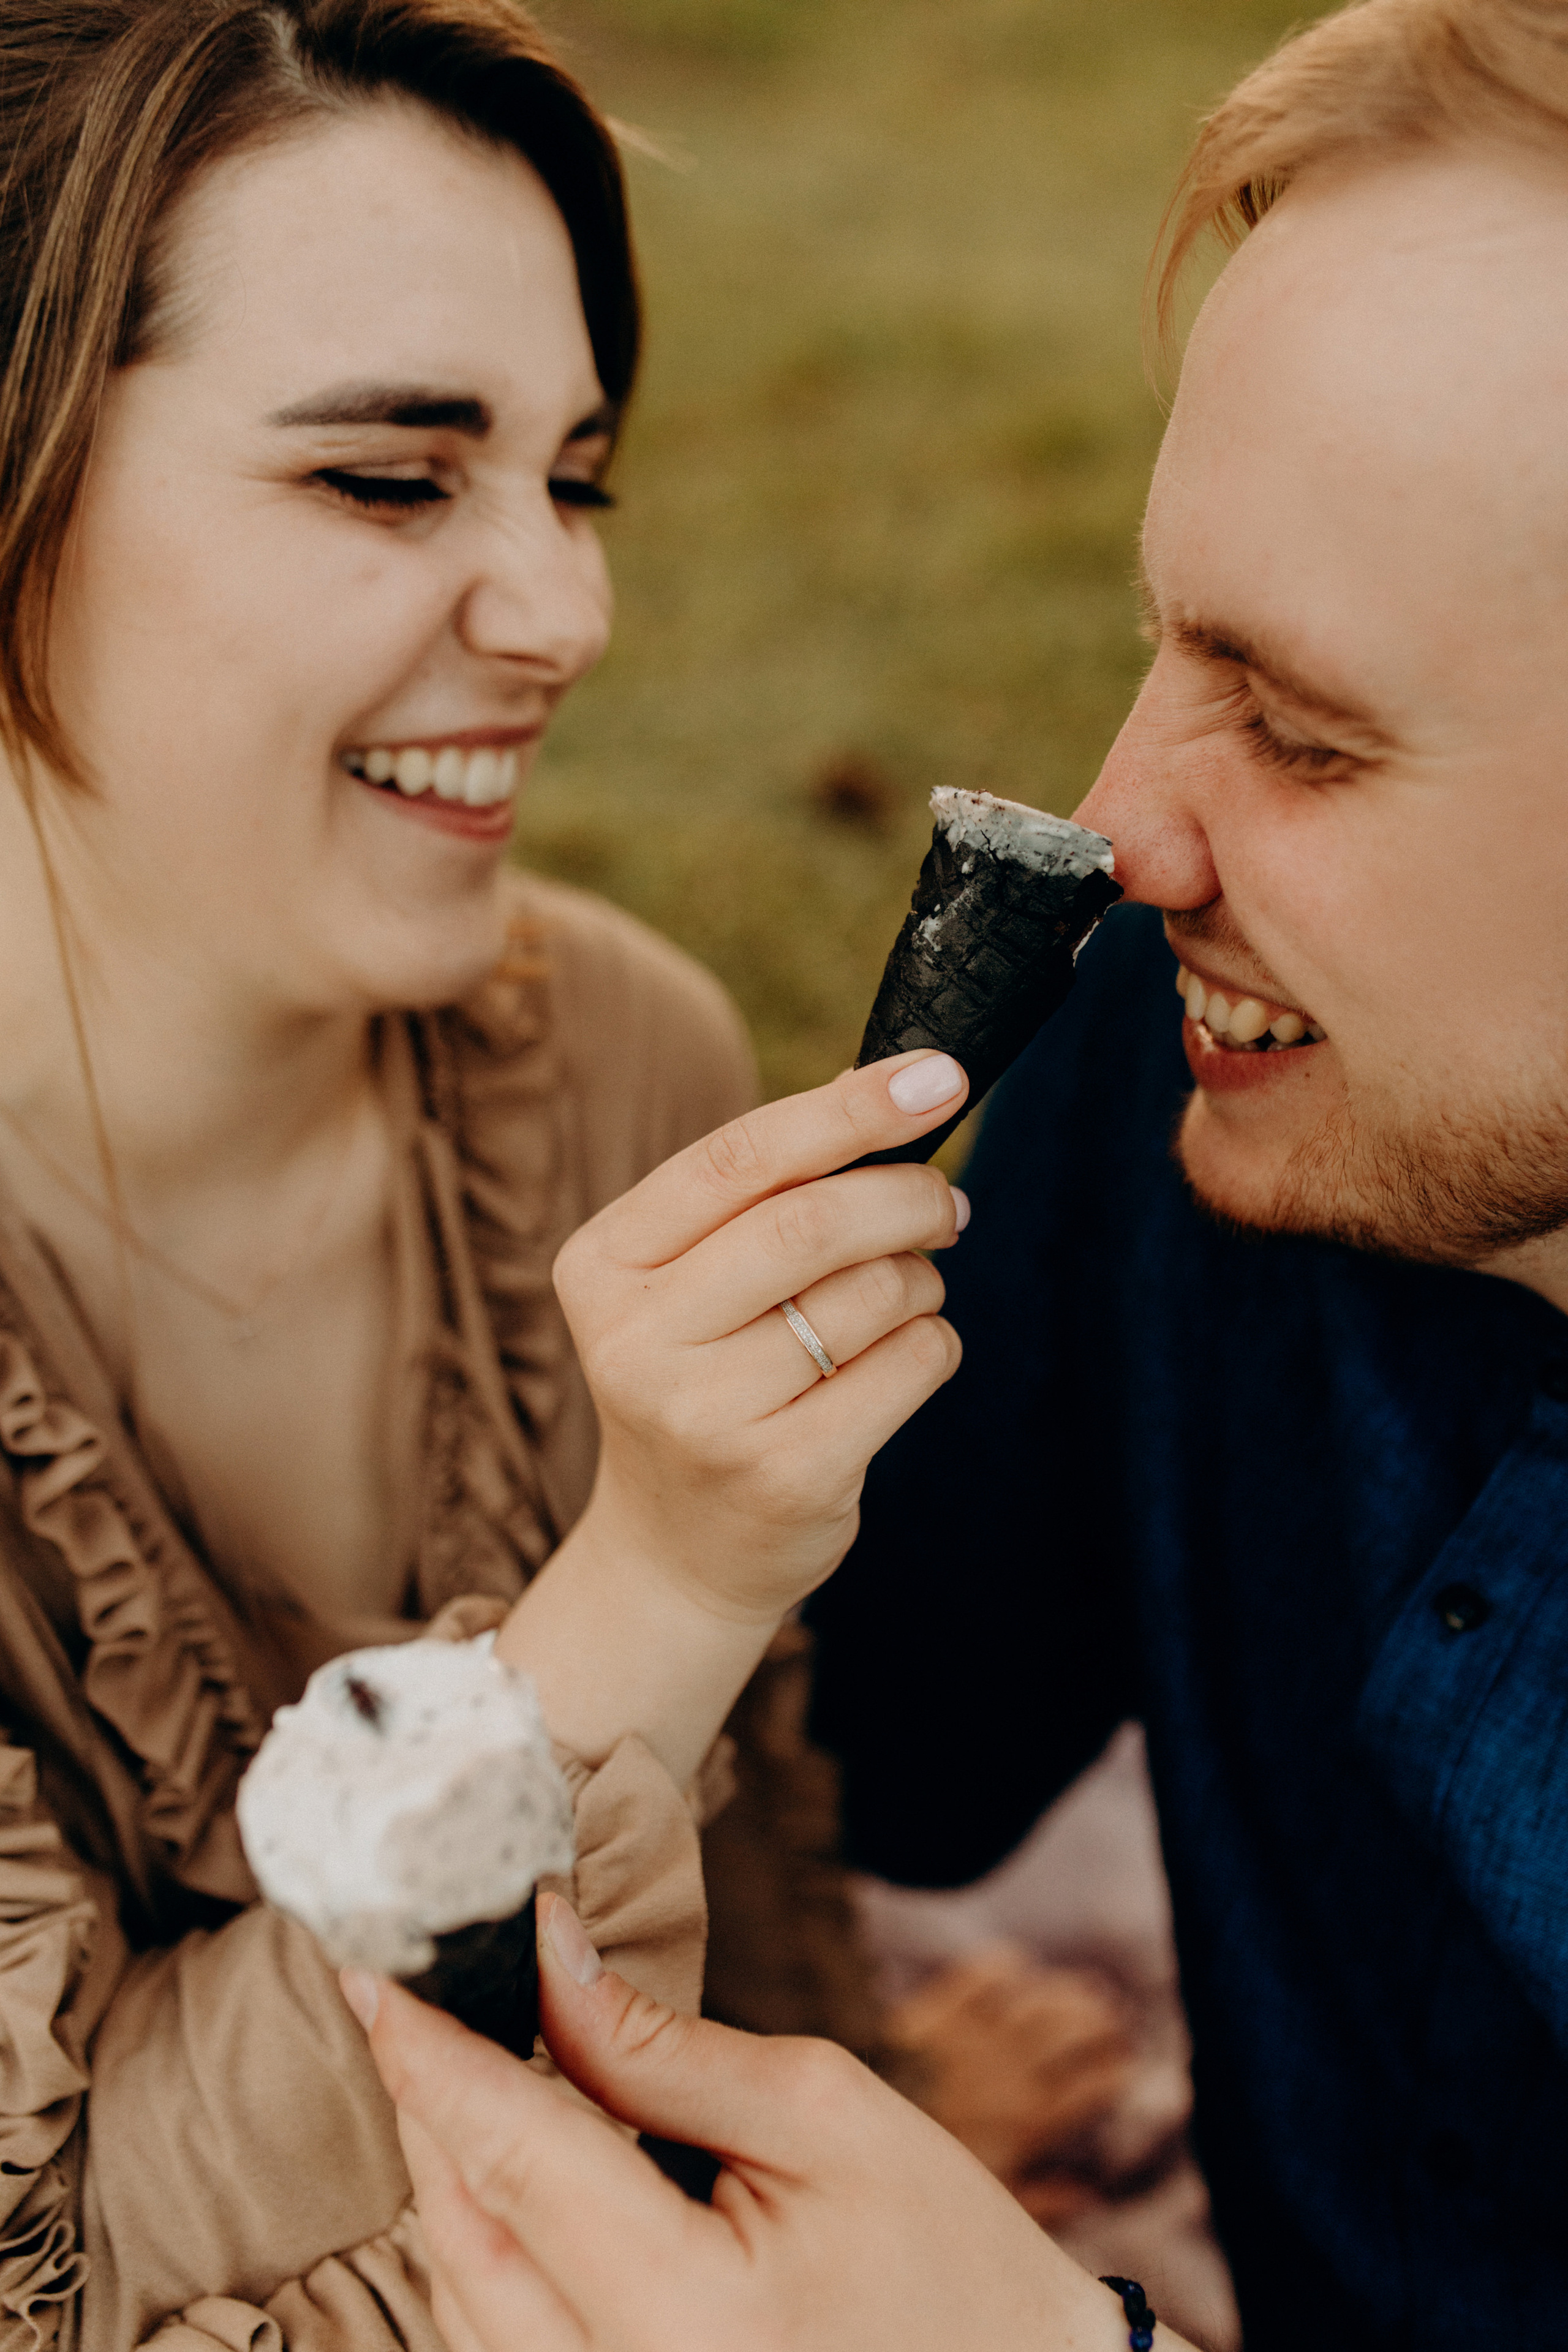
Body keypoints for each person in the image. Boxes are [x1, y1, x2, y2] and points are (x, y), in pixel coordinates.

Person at [347, 1, 1568, 2346]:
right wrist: (704, 1519)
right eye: (1162, 644)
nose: (1126, 823)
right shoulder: (1211, 1063)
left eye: (1302, 731)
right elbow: (889, 1762)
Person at [0, 4, 974, 2343]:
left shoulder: (622, 1059)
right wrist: (642, 1594)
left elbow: (756, 1861)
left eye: (577, 480)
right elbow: (48, 2263)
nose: (566, 615)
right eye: (388, 479)